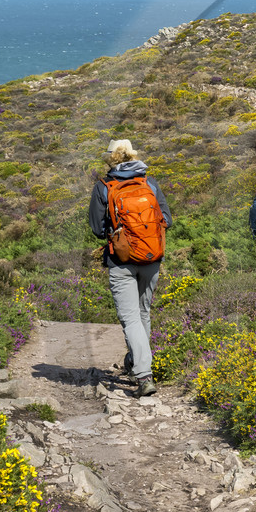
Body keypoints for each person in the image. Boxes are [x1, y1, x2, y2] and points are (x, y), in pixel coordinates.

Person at [88, 138, 173, 396]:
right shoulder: (149, 183)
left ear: (111, 158)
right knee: (143, 313)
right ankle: (136, 361)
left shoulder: (104, 186)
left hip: (121, 260)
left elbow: (96, 229)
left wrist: (119, 234)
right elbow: (167, 220)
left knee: (130, 318)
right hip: (152, 258)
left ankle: (144, 375)